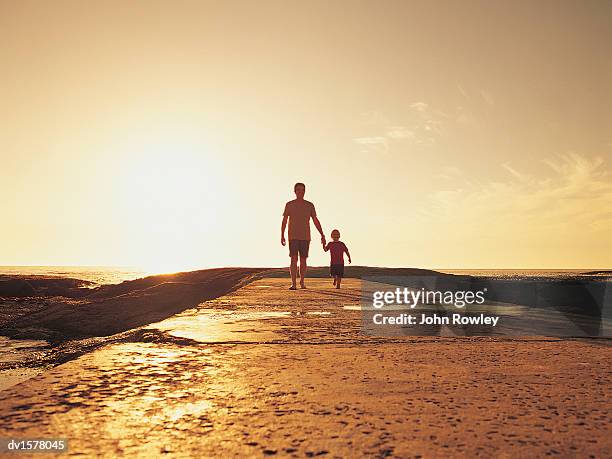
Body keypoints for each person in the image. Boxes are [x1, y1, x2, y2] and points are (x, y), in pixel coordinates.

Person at [281, 182, 326, 290]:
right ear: (295, 191)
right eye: (298, 190)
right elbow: (284, 220)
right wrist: (282, 235)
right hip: (293, 236)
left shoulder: (309, 205)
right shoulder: (289, 204)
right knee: (293, 259)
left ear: (305, 191)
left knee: (303, 259)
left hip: (305, 236)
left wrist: (322, 234)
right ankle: (293, 283)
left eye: (302, 190)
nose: (300, 192)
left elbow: (315, 220)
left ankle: (302, 281)